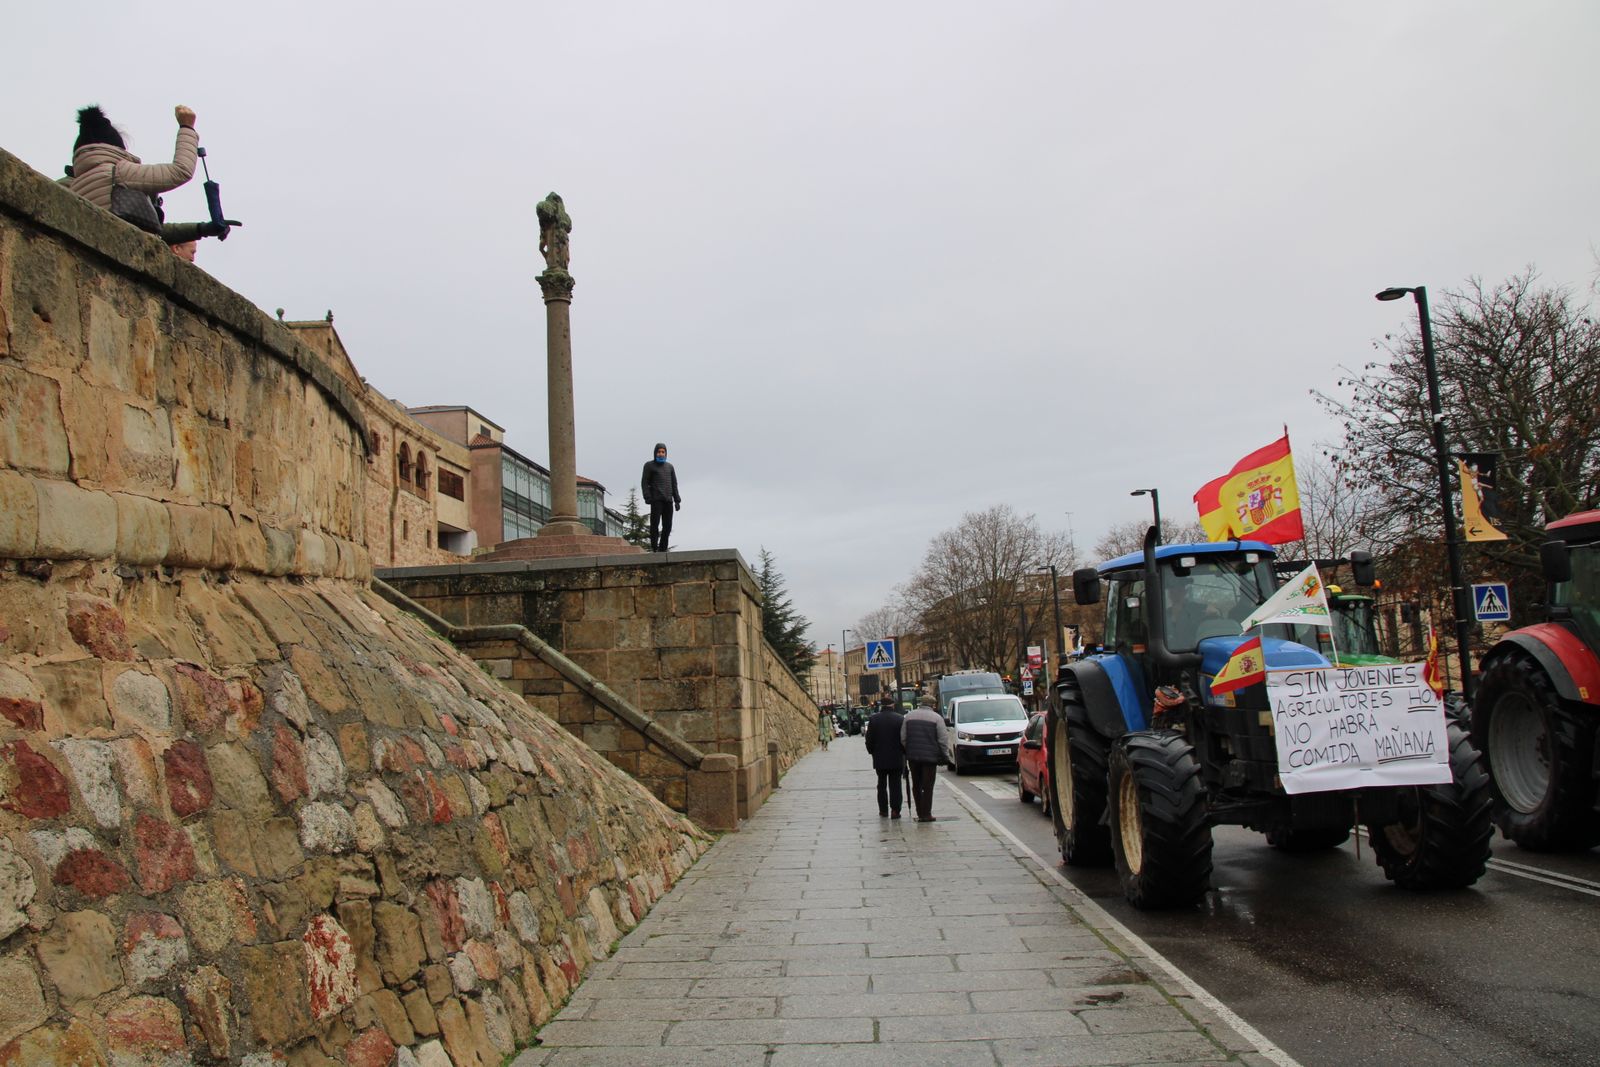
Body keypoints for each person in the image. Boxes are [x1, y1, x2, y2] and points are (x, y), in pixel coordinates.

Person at [67, 104, 227, 248]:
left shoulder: (72, 185)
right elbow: (181, 171)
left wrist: (201, 229)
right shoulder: (119, 172)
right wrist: (187, 128)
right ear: (116, 147)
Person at [901, 694, 954, 822]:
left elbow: (903, 737)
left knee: (916, 784)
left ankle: (919, 812)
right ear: (932, 705)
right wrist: (945, 756)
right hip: (930, 758)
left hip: (913, 757)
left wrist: (909, 749)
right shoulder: (937, 718)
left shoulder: (909, 717)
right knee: (928, 785)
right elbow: (942, 739)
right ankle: (927, 813)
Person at [864, 696, 907, 819]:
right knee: (895, 785)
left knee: (881, 784)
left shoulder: (874, 719)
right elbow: (904, 738)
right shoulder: (899, 719)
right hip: (896, 757)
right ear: (893, 705)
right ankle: (895, 810)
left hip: (880, 758)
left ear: (881, 705)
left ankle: (883, 810)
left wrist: (872, 752)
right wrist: (904, 752)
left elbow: (869, 740)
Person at [640, 443, 681, 552]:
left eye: (663, 452)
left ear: (666, 453)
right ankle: (654, 547)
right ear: (655, 453)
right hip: (656, 500)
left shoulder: (670, 467)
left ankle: (662, 549)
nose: (661, 454)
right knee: (655, 525)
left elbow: (674, 484)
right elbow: (644, 482)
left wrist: (677, 500)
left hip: (668, 500)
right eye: (659, 452)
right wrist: (647, 496)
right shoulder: (649, 465)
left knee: (667, 527)